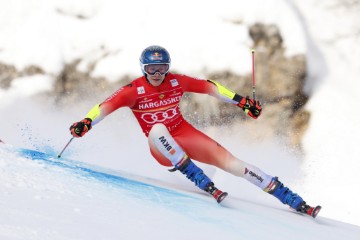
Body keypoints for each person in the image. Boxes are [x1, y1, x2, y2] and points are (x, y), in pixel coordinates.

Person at [69, 45, 320, 217]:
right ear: (142, 69)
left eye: (162, 68)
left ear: (168, 67)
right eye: (151, 69)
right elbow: (104, 107)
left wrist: (243, 102)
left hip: (186, 136)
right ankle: (200, 180)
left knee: (235, 164)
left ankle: (294, 201)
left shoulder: (176, 81)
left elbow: (210, 87)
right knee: (157, 129)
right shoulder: (132, 91)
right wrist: (86, 123)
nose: (157, 74)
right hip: (162, 147)